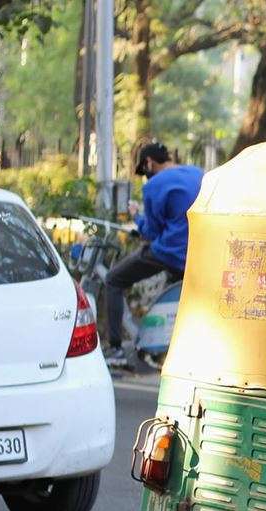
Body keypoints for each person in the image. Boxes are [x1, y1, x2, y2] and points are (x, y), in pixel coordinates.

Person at [103, 142, 203, 367]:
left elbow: (152, 231)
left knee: (114, 279)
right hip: (198, 254)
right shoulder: (198, 173)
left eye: (144, 171)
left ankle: (116, 349)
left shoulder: (154, 185)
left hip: (169, 252)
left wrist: (136, 216)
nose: (145, 176)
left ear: (148, 162)